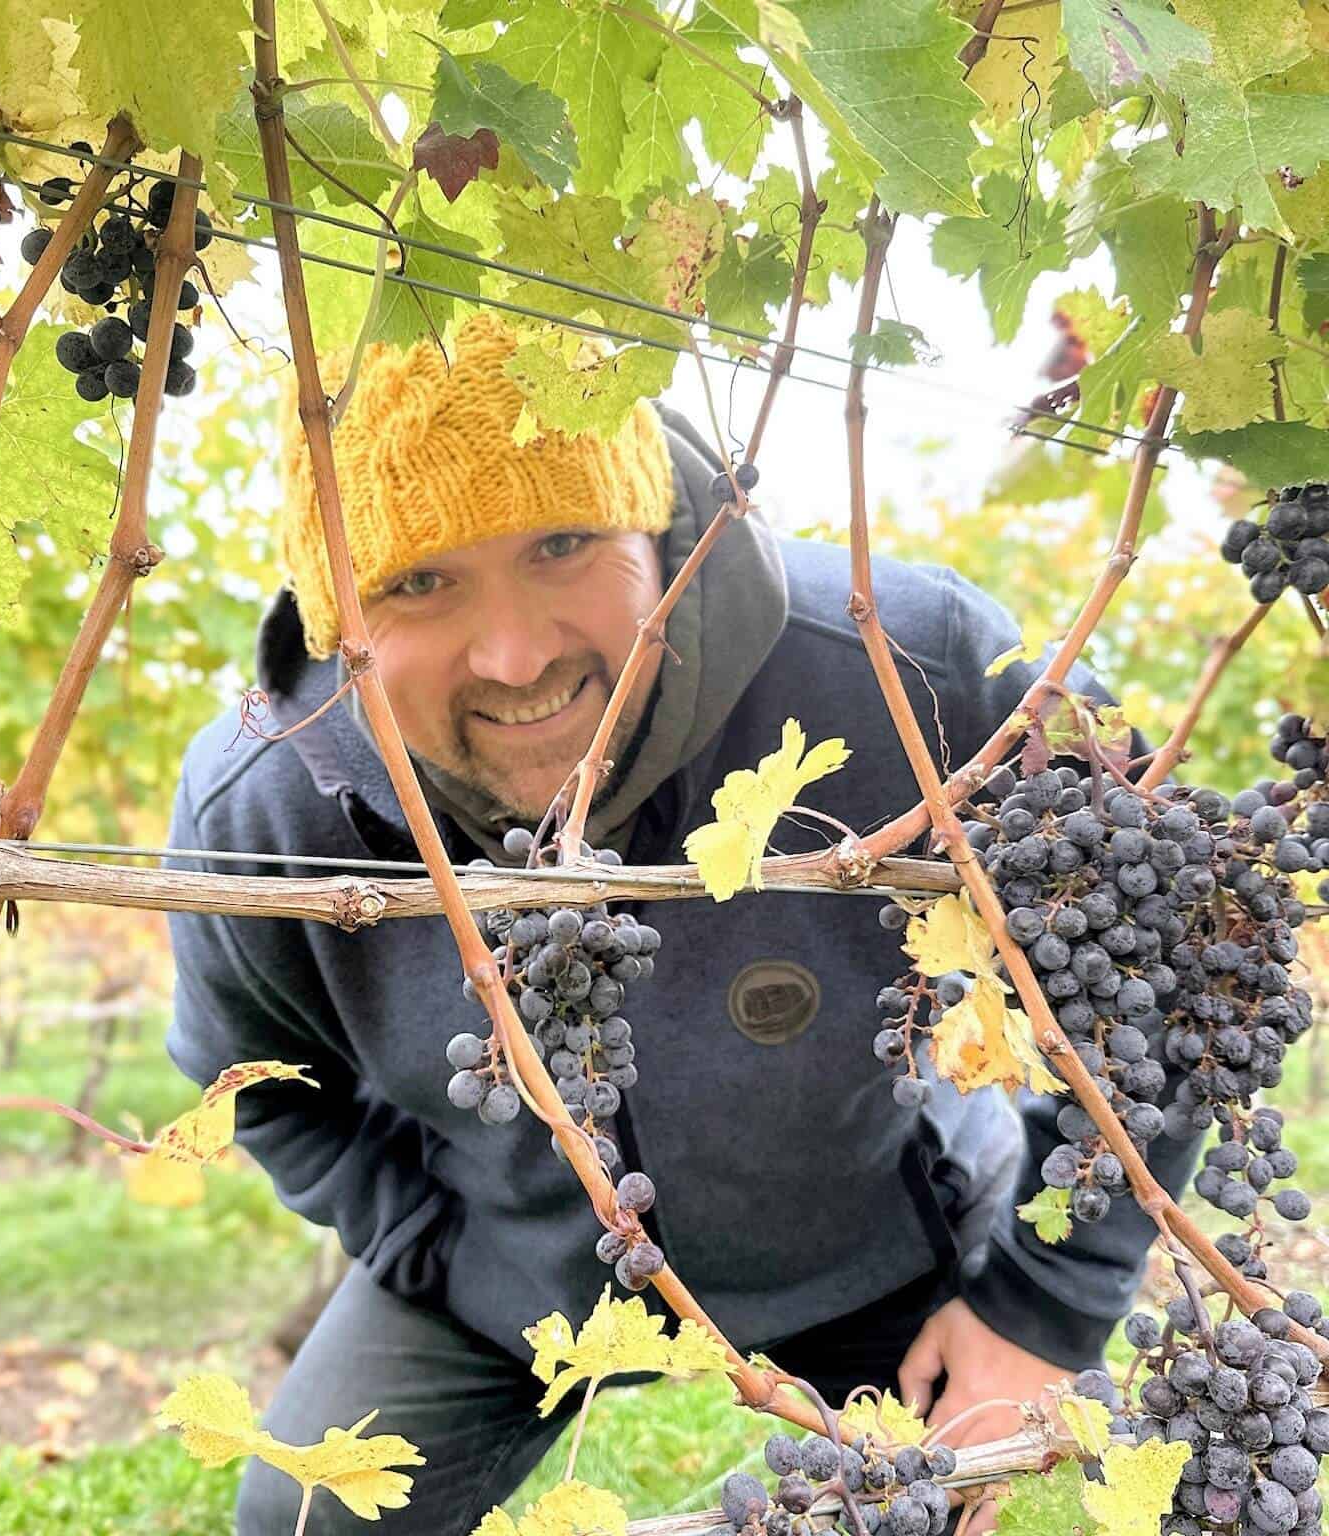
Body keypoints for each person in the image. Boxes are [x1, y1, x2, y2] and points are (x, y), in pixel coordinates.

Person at [163, 313, 1189, 1536]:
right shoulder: (259, 802)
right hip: (506, 1284)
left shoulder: (912, 671)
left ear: (653, 529)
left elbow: (1158, 962)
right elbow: (259, 1087)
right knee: (301, 1514)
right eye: (418, 582)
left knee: (926, 1513)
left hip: (884, 1250)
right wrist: (444, 1252)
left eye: (562, 543)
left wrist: (1045, 1311)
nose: (513, 652)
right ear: (341, 619)